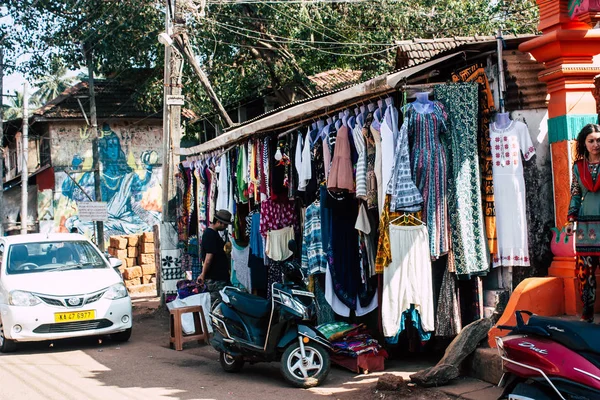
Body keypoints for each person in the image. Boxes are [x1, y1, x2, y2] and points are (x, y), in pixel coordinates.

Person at [566, 123, 600, 322]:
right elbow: (575, 194)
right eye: (591, 141)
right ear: (584, 143)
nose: (596, 144)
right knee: (585, 273)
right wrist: (571, 219)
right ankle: (587, 314)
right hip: (586, 228)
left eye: (598, 140)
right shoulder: (579, 167)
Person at [197, 209, 232, 307]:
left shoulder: (213, 233)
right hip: (215, 278)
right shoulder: (210, 234)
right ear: (219, 222)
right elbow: (208, 258)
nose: (225, 227)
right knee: (218, 304)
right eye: (225, 225)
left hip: (219, 276)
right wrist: (203, 275)